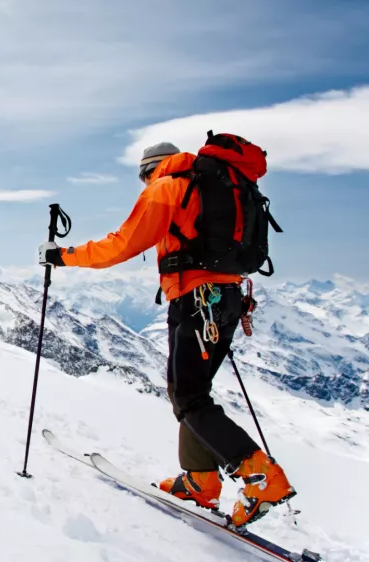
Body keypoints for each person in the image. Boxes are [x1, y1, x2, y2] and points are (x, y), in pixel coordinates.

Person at [38, 139, 295, 528]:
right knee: (193, 395)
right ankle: (201, 481)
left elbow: (122, 244)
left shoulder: (169, 185)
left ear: (151, 168)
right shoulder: (219, 186)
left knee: (188, 398)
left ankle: (260, 477)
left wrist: (63, 256)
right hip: (226, 299)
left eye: (143, 175)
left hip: (196, 300)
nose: (144, 183)